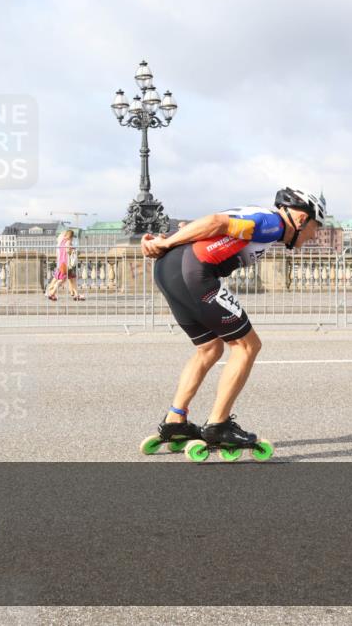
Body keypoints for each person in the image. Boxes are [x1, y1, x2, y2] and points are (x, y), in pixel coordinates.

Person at [139, 188, 327, 461]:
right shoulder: (272, 224)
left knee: (209, 349)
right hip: (194, 272)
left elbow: (206, 227)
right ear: (300, 219)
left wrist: (166, 239)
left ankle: (175, 420)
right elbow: (217, 221)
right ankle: (218, 424)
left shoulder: (258, 215)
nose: (314, 235)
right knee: (248, 346)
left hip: (170, 271)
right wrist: (166, 243)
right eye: (315, 227)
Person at [46, 229, 84, 302]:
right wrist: (74, 250)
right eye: (73, 237)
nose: (73, 238)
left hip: (61, 262)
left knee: (73, 279)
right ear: (71, 236)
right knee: (62, 280)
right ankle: (51, 293)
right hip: (66, 263)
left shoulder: (62, 241)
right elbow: (68, 251)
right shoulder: (68, 241)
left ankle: (76, 295)